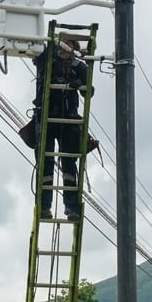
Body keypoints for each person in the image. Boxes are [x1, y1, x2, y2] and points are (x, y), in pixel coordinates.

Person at [31, 35, 91, 220]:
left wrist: (80, 85)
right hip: (47, 118)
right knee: (46, 163)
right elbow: (39, 50)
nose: (66, 49)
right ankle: (44, 206)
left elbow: (90, 89)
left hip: (69, 121)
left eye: (70, 46)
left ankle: (71, 207)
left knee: (69, 164)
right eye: (63, 45)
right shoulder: (47, 60)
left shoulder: (78, 67)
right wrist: (52, 41)